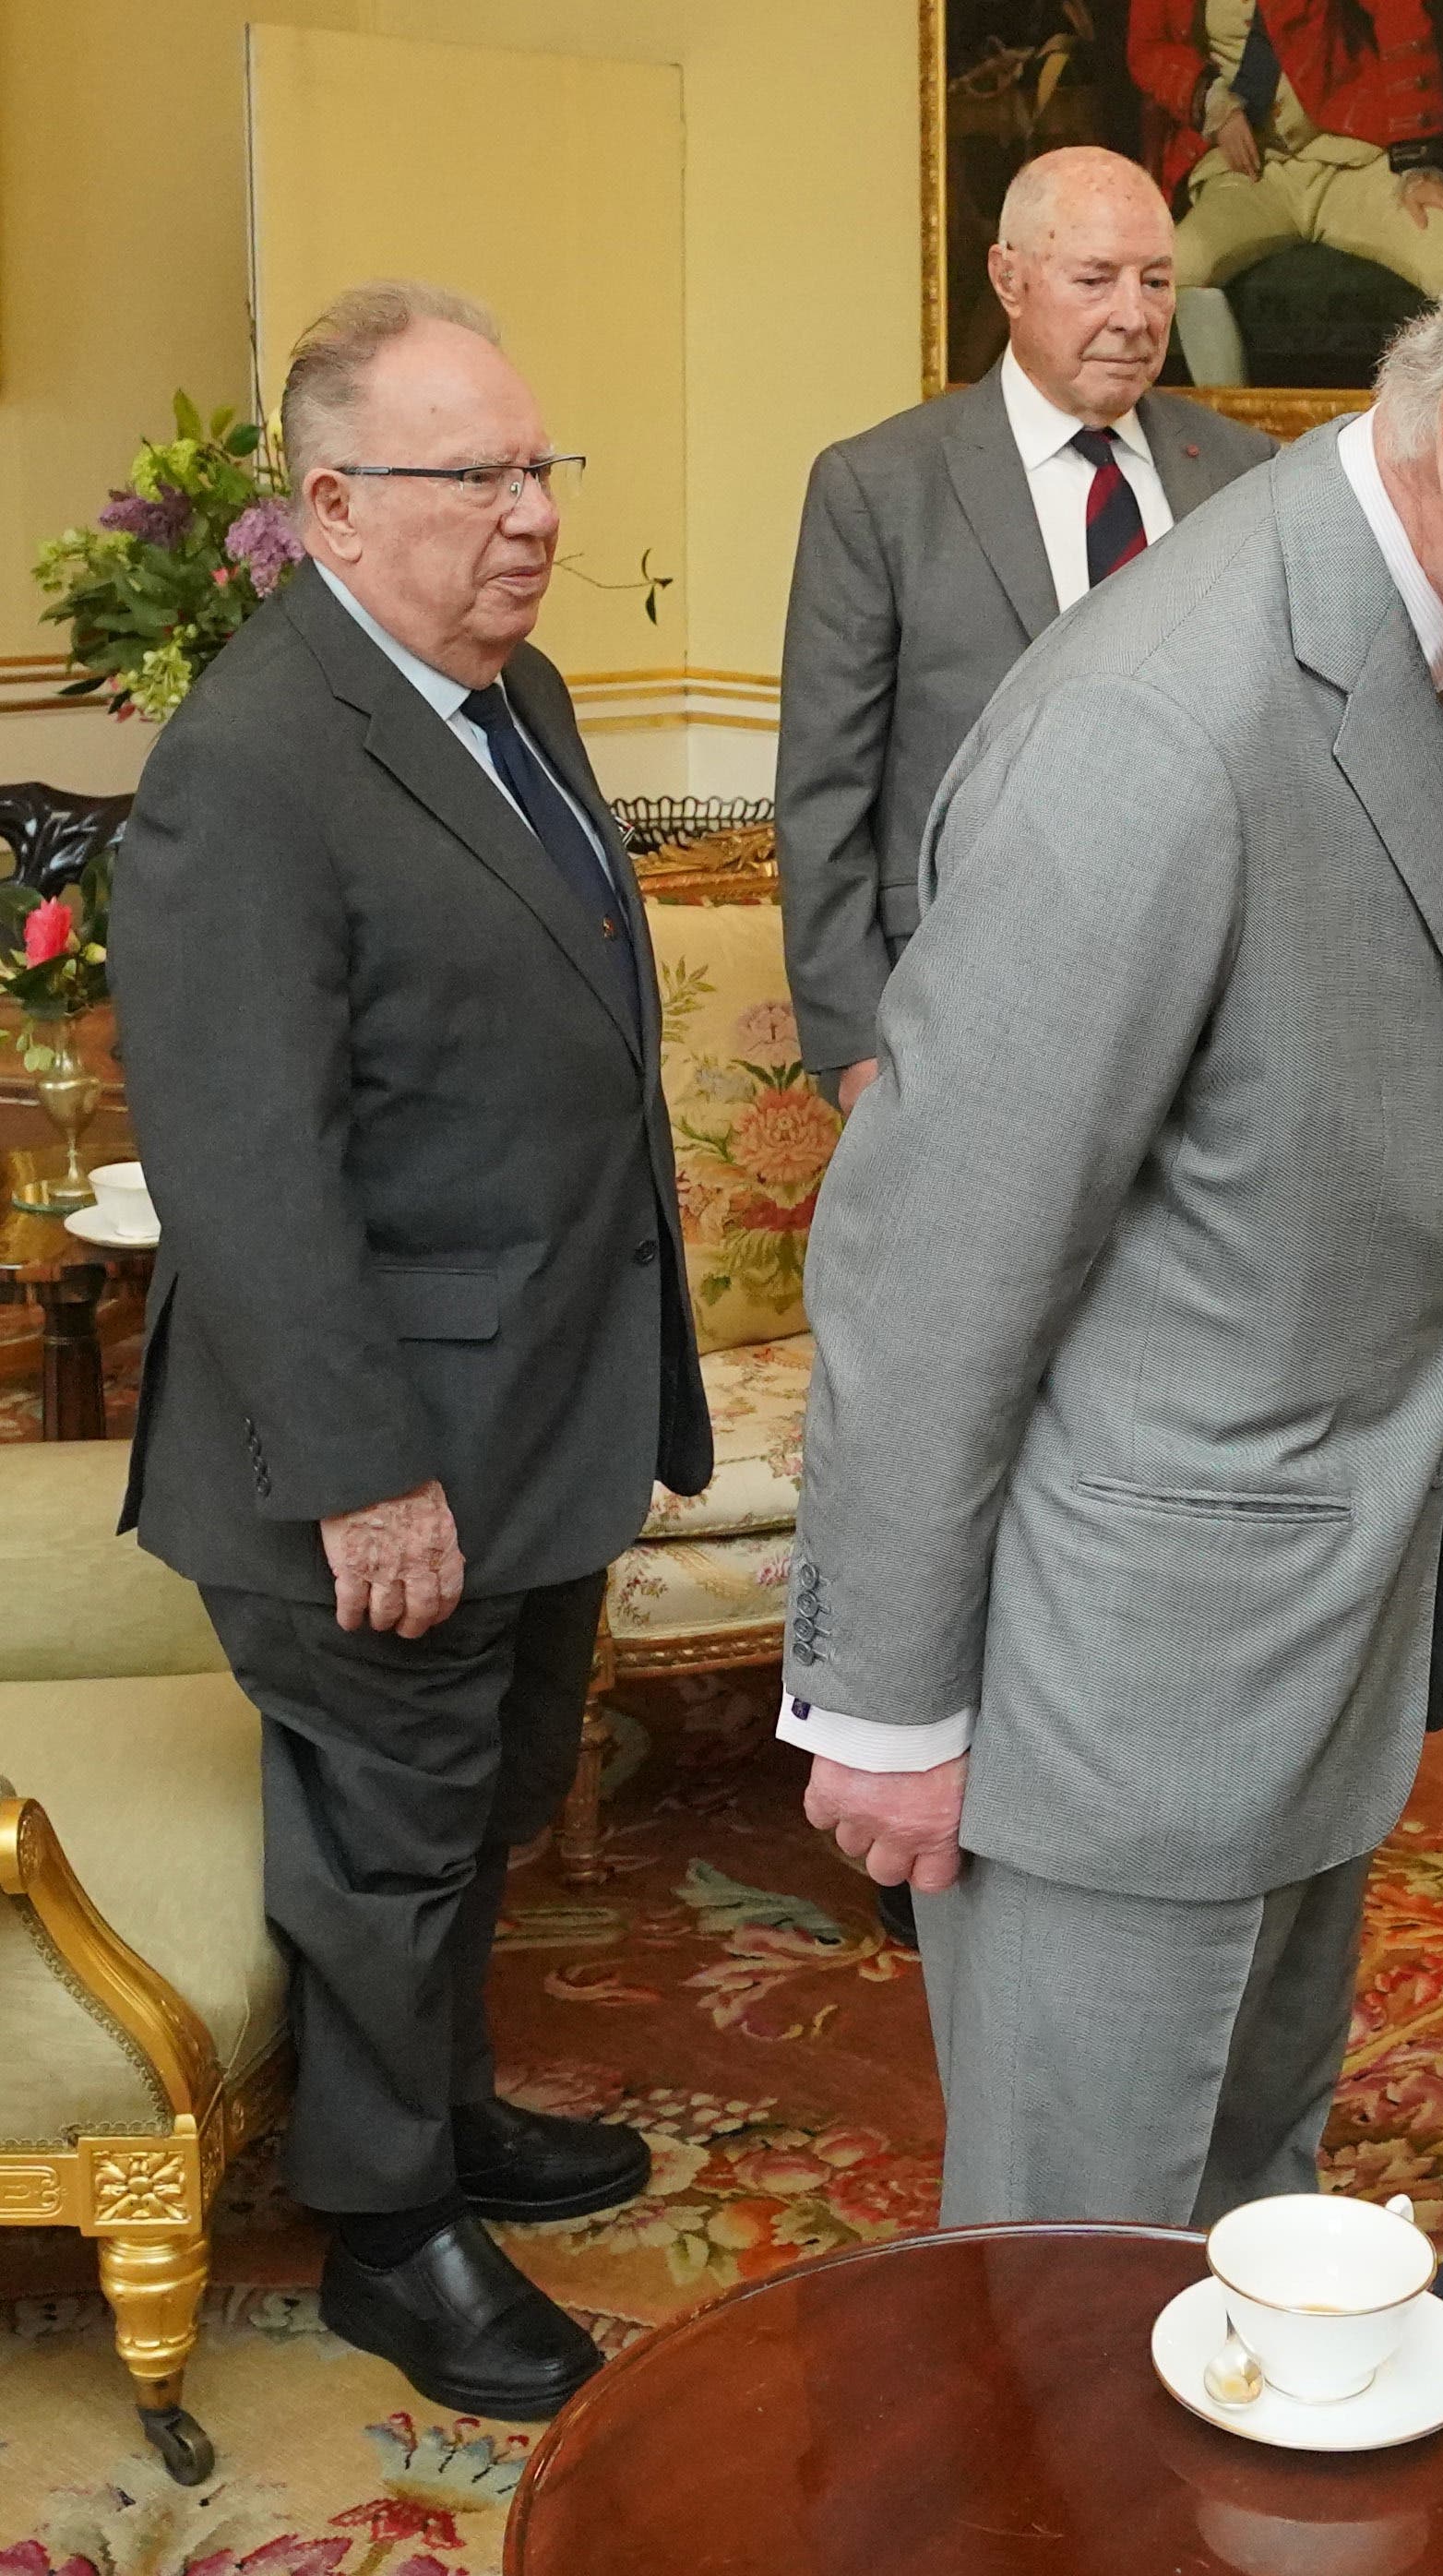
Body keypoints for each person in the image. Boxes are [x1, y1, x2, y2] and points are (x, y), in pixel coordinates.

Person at [774, 176, 1443, 2226]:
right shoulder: (1161, 720)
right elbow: (938, 1246)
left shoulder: (1434, 637)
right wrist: (885, 1704)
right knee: (1071, 2304)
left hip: (1298, 1658)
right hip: (1118, 1716)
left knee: (1242, 2243)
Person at [112, 282, 711, 2419]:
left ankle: (445, 2115)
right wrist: (362, 1470)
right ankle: (389, 2231)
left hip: (534, 1403)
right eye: (480, 478)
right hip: (375, 1440)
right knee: (386, 1839)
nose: (532, 514)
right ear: (336, 507)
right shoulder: (253, 763)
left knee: (477, 1808)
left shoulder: (509, 687)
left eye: (543, 466)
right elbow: (246, 1168)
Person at [776, 145, 1275, 1110]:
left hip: (1209, 1026)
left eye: (1157, 281)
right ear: (1010, 279)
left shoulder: (1242, 472)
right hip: (960, 1012)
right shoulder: (880, 489)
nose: (1133, 316)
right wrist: (854, 1050)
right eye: (1094, 279)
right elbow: (823, 797)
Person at [1129, 0, 1443, 390]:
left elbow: (1401, 15)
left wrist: (1418, 164)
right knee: (1178, 269)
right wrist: (1211, 102)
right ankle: (1231, 424)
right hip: (1247, 171)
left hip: (1350, 156)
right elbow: (1148, 47)